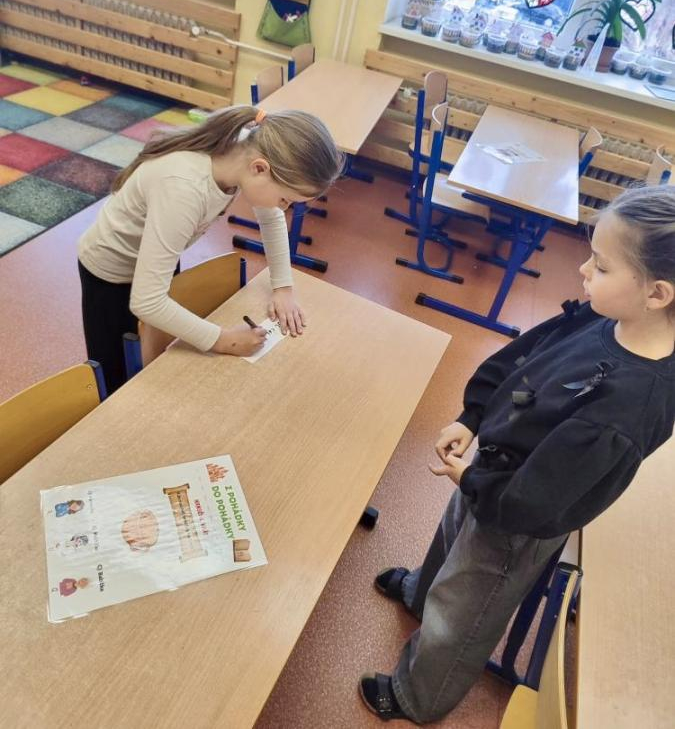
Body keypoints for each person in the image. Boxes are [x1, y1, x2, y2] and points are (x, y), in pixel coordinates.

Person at [359, 183, 675, 723]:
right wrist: (473, 416)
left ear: (657, 294)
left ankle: (419, 696)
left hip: (519, 518)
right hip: (491, 472)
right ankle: (419, 592)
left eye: (600, 266)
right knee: (450, 538)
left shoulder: (628, 407)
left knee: (464, 608)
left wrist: (474, 482)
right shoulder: (606, 316)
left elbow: (541, 499)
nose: (583, 271)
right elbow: (525, 358)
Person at [78, 106, 343, 393]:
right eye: (285, 199)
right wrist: (226, 340)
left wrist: (283, 288)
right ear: (259, 169)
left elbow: (271, 217)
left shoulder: (245, 151)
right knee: (114, 377)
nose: (284, 208)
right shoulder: (185, 190)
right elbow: (148, 302)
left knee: (154, 351)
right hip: (109, 270)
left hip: (158, 253)